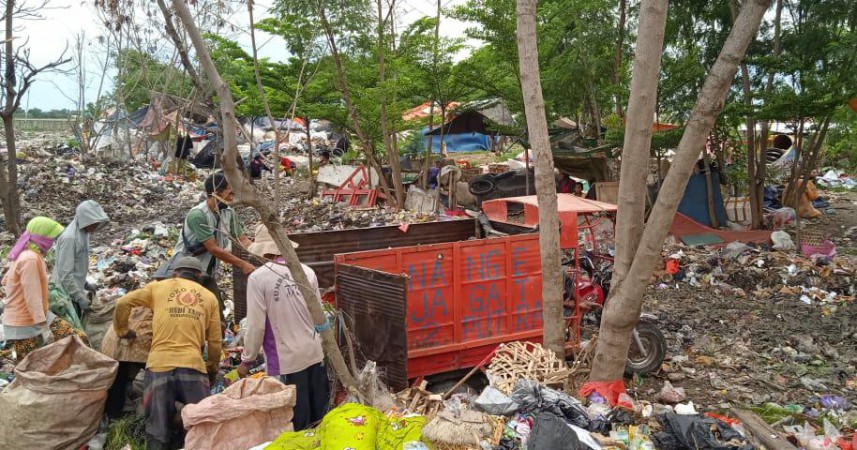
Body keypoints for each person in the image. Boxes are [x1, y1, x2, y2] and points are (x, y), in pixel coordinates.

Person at [113, 257, 221, 450]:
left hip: (158, 366)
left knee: (157, 429)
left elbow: (122, 303)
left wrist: (123, 331)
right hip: (193, 366)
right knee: (201, 425)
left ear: (175, 273)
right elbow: (215, 341)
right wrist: (212, 367)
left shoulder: (157, 287)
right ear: (198, 276)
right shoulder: (209, 297)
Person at [237, 225, 328, 431]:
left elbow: (256, 326)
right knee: (319, 420)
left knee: (295, 425)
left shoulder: (259, 279)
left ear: (264, 250)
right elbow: (320, 316)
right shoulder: (306, 271)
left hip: (286, 361)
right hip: (314, 353)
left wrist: (247, 360)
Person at [153, 173, 254, 323]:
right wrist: (242, 264)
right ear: (215, 192)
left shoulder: (229, 212)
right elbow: (212, 248)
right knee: (185, 312)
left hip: (206, 272)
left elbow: (243, 239)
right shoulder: (198, 215)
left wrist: (260, 253)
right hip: (186, 271)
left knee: (216, 317)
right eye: (229, 192)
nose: (232, 196)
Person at [3, 217, 89, 363]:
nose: (52, 242)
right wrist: (43, 325)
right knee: (30, 370)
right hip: (24, 325)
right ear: (42, 237)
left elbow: (7, 281)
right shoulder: (30, 259)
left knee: (77, 340)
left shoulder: (28, 254)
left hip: (32, 318)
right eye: (51, 238)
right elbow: (32, 296)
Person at [50, 200, 110, 326]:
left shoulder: (84, 233)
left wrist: (85, 284)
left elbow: (78, 265)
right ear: (84, 220)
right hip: (65, 295)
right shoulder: (70, 238)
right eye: (93, 223)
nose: (95, 227)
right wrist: (79, 297)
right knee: (72, 333)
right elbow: (65, 273)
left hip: (73, 292)